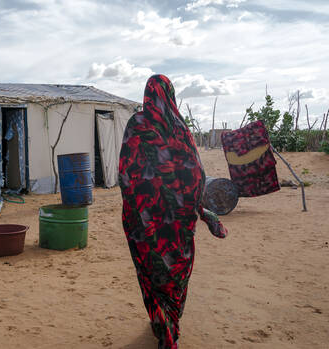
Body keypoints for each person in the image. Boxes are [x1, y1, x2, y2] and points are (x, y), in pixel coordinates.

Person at [118, 74, 227, 348]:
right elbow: (196, 173)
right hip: (178, 223)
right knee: (175, 274)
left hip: (144, 222)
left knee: (149, 272)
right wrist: (196, 208)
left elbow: (125, 171)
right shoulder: (181, 129)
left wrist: (136, 206)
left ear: (147, 95)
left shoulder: (137, 124)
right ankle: (171, 323)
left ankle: (161, 324)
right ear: (171, 95)